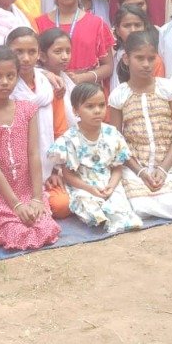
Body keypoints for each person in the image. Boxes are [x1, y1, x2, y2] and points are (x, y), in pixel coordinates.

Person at [0, 46, 61, 250]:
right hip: (2, 193)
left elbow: (34, 154)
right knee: (15, 232)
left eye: (10, 76)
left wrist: (36, 199)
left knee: (44, 228)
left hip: (29, 188)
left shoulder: (27, 109)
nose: (5, 82)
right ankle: (8, 215)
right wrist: (16, 205)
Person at [107, 32, 172, 220]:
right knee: (137, 206)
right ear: (126, 59)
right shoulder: (119, 95)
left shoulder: (167, 88)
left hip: (166, 166)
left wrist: (163, 169)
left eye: (151, 58)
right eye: (139, 58)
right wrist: (139, 171)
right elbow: (116, 140)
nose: (146, 64)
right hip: (134, 168)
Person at [48, 83, 143, 234]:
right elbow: (68, 174)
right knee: (88, 204)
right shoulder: (70, 139)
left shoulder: (112, 133)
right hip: (83, 185)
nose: (97, 110)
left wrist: (111, 186)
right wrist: (90, 189)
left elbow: (117, 167)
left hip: (107, 181)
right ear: (75, 110)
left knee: (119, 206)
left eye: (101, 105)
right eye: (90, 106)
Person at [7, 27, 70, 218]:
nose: (25, 58)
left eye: (31, 52)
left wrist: (56, 169)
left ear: (39, 55)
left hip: (47, 166)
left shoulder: (49, 85)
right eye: (19, 52)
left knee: (62, 206)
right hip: (15, 171)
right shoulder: (5, 88)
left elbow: (60, 131)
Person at [34, 0, 115, 86]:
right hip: (51, 90)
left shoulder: (97, 23)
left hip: (86, 93)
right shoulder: (39, 24)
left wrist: (82, 78)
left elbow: (108, 66)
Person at [110, 4, 162, 90]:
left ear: (145, 28)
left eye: (137, 25)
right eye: (127, 26)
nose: (133, 30)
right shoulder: (112, 58)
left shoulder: (154, 59)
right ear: (118, 30)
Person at [38, 27, 77, 128]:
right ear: (42, 56)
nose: (65, 57)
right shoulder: (39, 79)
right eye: (58, 52)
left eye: (68, 51)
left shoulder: (65, 78)